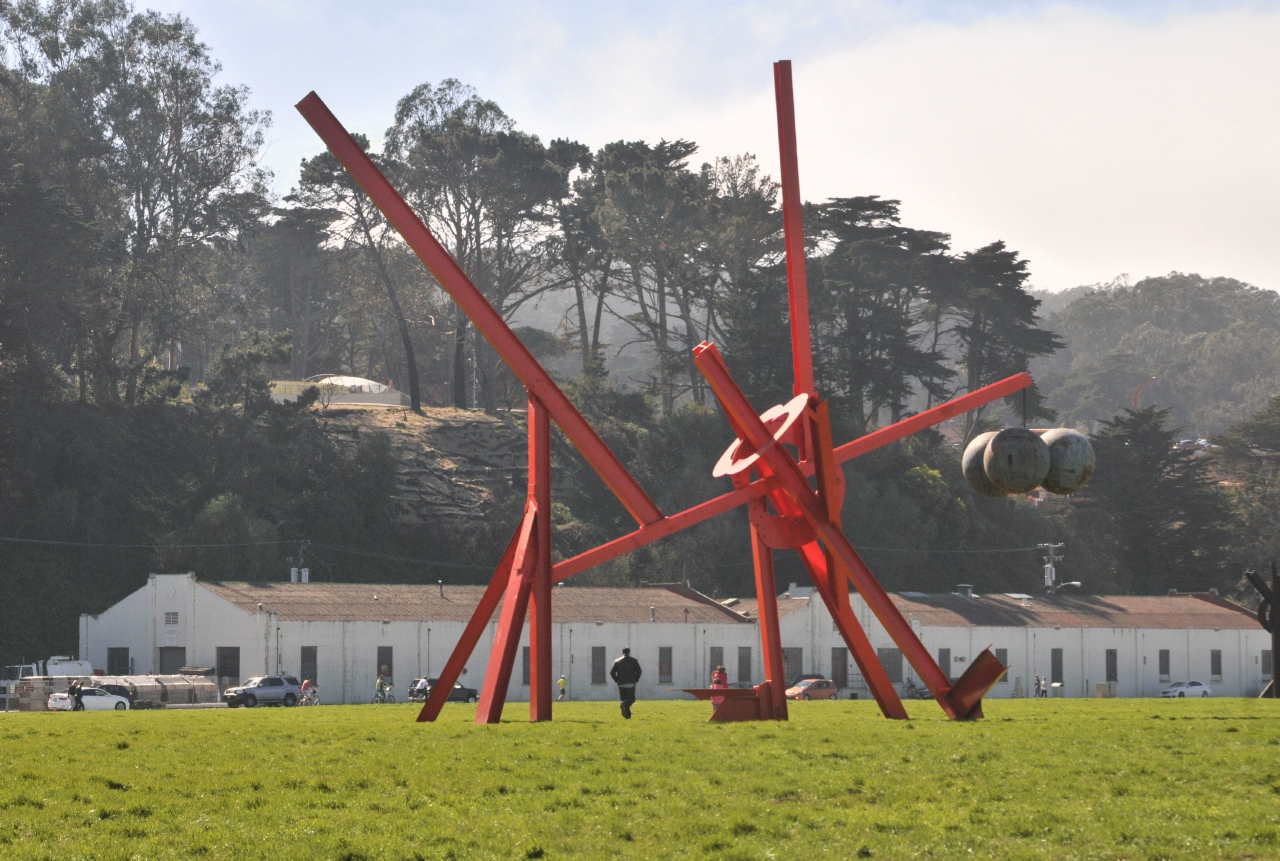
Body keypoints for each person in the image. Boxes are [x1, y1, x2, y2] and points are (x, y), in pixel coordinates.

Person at [609, 647, 642, 719]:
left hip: (621, 683)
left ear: (622, 652)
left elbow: (612, 672)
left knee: (624, 699)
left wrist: (616, 680)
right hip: (631, 683)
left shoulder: (617, 661)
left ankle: (627, 716)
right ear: (629, 652)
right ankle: (625, 707)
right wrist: (636, 679)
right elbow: (639, 671)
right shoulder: (634, 661)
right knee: (631, 699)